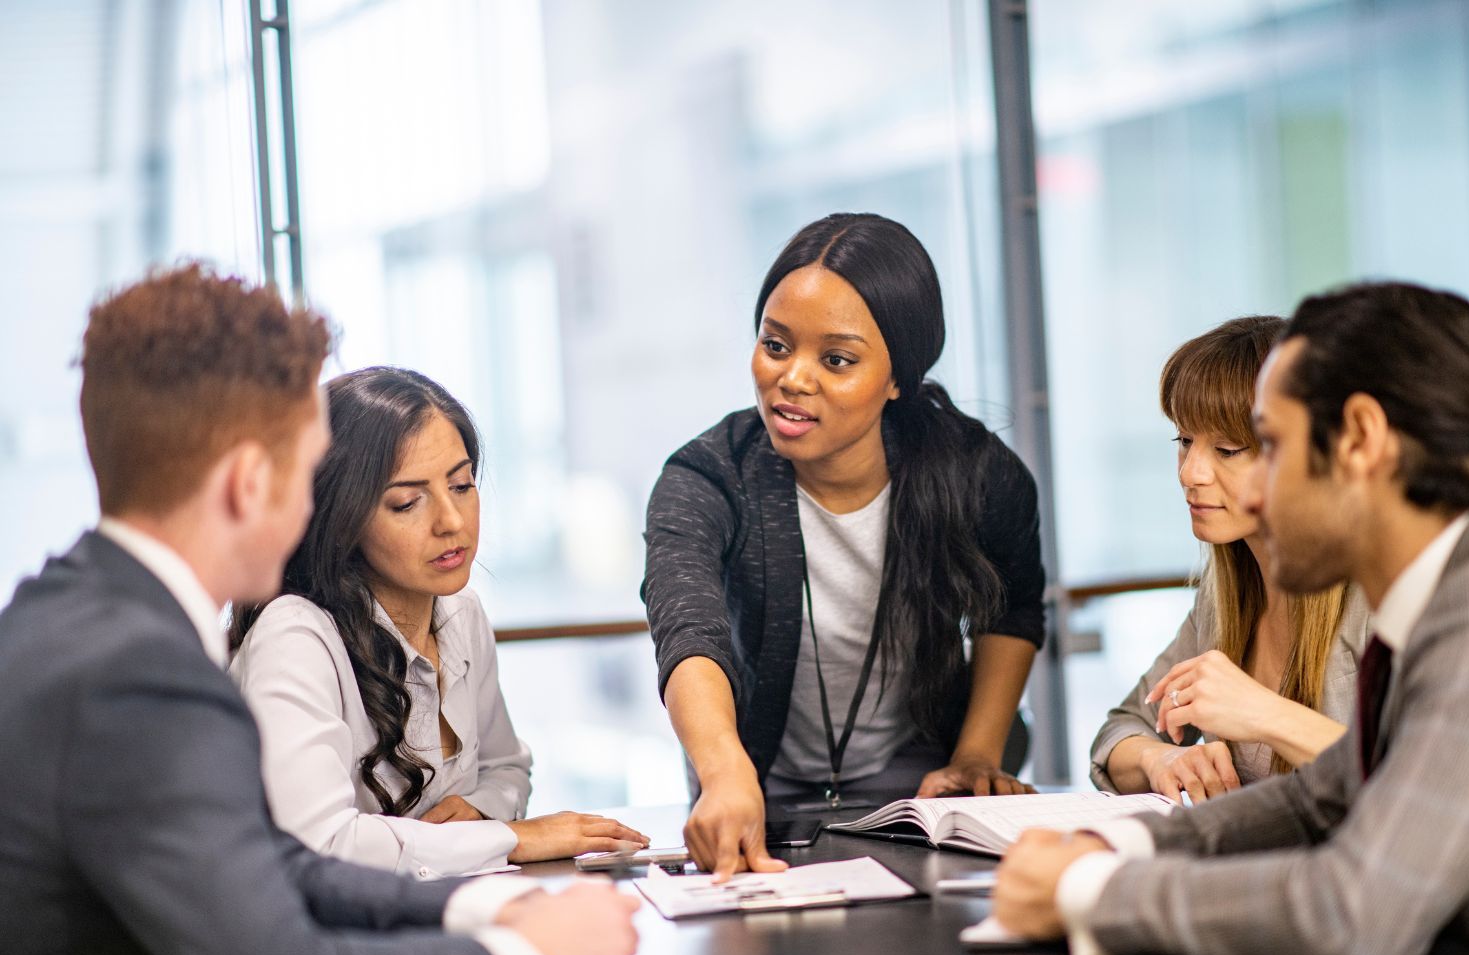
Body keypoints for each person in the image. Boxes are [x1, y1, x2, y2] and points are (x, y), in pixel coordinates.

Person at [0, 265, 638, 955]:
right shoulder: (138, 676)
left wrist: (478, 900)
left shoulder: (75, 615)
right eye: (307, 476)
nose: (317, 514)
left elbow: (278, 863)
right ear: (248, 483)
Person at [993, 281, 1469, 955]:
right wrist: (1113, 844)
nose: (1246, 492)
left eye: (1267, 447)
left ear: (1363, 441)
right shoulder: (1445, 594)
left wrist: (1088, 892)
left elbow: (1357, 910)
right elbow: (1317, 798)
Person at [644, 212, 1047, 879]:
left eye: (836, 360)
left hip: (921, 777)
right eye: (776, 346)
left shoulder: (978, 472)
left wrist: (977, 753)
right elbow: (689, 630)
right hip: (756, 776)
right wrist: (723, 770)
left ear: (898, 377)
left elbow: (1015, 609)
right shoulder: (709, 477)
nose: (793, 379)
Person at [230, 367, 648, 877]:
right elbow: (320, 842)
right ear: (343, 516)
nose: (452, 521)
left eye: (462, 484)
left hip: (435, 915)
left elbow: (505, 768)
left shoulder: (461, 611)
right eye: (407, 502)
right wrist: (509, 838)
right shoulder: (295, 634)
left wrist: (481, 813)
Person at [1089, 316, 1370, 801]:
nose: (1190, 473)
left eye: (1227, 448)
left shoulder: (1376, 596)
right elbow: (1121, 731)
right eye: (1184, 441)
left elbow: (1424, 785)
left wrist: (1263, 712)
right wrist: (1162, 758)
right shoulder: (1222, 599)